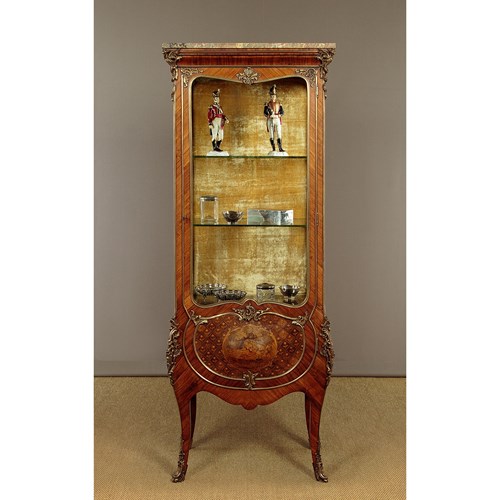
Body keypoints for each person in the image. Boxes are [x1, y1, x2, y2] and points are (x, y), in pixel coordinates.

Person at [264, 85, 285, 152]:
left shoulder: (279, 103)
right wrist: (269, 115)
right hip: (270, 119)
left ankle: (280, 148)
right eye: (272, 96)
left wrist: (279, 115)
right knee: (271, 134)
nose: (273, 97)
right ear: (270, 96)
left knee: (279, 132)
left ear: (276, 96)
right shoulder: (267, 104)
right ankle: (273, 148)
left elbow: (282, 112)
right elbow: (265, 112)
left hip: (277, 119)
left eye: (274, 96)